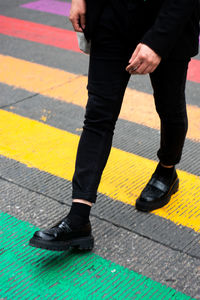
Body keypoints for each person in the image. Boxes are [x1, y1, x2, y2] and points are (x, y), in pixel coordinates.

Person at [29, 0, 200, 251]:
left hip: (166, 19)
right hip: (111, 16)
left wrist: (157, 41)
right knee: (98, 115)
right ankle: (78, 220)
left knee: (169, 107)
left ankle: (167, 170)